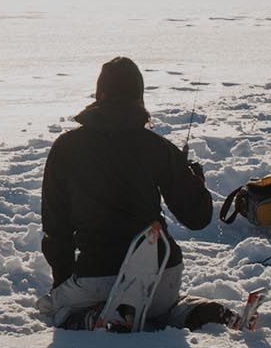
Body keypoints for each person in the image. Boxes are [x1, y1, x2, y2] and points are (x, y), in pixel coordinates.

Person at [40, 57, 234, 329]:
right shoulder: (157, 146)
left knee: (51, 310)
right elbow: (197, 218)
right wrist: (195, 183)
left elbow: (55, 227)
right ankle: (198, 313)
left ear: (100, 94)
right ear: (138, 97)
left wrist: (64, 283)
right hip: (161, 273)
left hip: (97, 278)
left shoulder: (65, 148)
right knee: (160, 310)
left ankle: (96, 318)